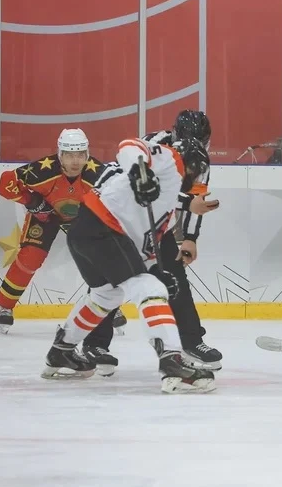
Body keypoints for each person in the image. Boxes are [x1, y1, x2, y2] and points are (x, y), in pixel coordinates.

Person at [41, 135, 215, 393]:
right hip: (103, 227)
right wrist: (139, 172)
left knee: (107, 295)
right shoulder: (171, 159)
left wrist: (155, 269)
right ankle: (172, 360)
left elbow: (143, 245)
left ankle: (61, 351)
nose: (196, 179)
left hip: (86, 231)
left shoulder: (167, 208)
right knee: (149, 289)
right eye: (197, 172)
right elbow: (130, 145)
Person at [81, 110, 223, 375]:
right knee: (110, 281)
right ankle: (94, 344)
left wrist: (190, 238)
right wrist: (185, 203)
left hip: (157, 227)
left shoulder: (199, 161)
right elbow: (139, 185)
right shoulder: (153, 145)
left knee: (176, 278)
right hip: (123, 222)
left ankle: (191, 341)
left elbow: (197, 202)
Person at [0, 128, 128, 334]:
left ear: (87, 154)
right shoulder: (42, 170)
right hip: (45, 215)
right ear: (60, 155)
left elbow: (120, 200)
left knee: (99, 259)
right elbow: (6, 183)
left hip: (83, 218)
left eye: (81, 155)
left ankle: (107, 306)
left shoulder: (99, 175)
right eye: (70, 155)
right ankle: (4, 305)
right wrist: (32, 201)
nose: (76, 161)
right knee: (30, 258)